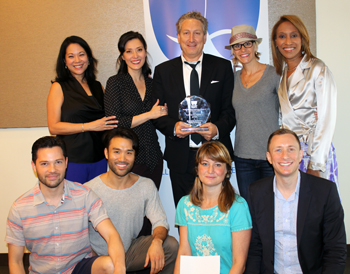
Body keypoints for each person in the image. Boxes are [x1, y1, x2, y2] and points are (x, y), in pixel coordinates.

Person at [6, 136, 126, 274]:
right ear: (34, 166)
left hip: (78, 269)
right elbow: (15, 262)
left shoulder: (85, 195)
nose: (52, 169)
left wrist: (120, 269)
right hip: (42, 271)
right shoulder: (19, 208)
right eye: (44, 164)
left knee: (111, 265)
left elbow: (111, 235)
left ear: (66, 162)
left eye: (58, 162)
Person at [152, 11, 236, 206]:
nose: (192, 39)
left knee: (218, 214)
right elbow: (157, 114)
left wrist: (217, 129)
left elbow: (230, 110)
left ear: (205, 37)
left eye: (197, 33)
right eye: (186, 33)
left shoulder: (222, 67)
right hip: (181, 157)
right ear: (178, 36)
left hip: (215, 155)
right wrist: (173, 127)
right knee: (185, 215)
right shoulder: (163, 72)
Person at [245, 129, 346, 274]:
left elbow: (336, 250)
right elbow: (254, 248)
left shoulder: (325, 191)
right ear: (269, 157)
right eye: (278, 150)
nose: (285, 156)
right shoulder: (256, 192)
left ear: (300, 155)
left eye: (291, 149)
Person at [86, 128, 178, 274]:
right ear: (106, 153)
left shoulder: (145, 185)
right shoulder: (89, 190)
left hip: (129, 252)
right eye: (116, 152)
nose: (122, 158)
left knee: (170, 245)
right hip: (98, 258)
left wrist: (157, 241)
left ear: (135, 155)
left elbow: (160, 221)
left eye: (129, 152)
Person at [271, 15, 338, 186]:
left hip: (314, 151)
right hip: (290, 154)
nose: (288, 41)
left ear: (302, 38)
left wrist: (315, 163)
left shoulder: (317, 69)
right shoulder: (282, 72)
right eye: (282, 36)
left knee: (319, 207)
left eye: (294, 35)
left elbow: (326, 118)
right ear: (276, 42)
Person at [47, 36, 118, 184]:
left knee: (95, 204)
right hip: (74, 160)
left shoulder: (98, 86)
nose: (77, 60)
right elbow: (53, 126)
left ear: (89, 58)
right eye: (71, 56)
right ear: (64, 61)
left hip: (99, 158)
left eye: (81, 54)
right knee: (74, 204)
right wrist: (89, 126)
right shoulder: (59, 87)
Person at [174, 141, 252, 274]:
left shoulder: (238, 206)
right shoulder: (185, 204)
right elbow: (184, 252)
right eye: (205, 164)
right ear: (197, 169)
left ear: (227, 170)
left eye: (217, 165)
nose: (210, 170)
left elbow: (239, 263)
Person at [104, 31, 167, 189]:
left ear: (145, 52)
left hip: (154, 158)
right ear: (122, 56)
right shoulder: (115, 82)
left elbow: (159, 118)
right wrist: (149, 114)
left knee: (150, 212)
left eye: (139, 50)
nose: (135, 55)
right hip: (128, 160)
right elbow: (115, 123)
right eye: (129, 51)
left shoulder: (153, 83)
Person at [225, 25, 280, 199]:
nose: (243, 49)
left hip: (270, 157)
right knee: (250, 212)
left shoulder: (274, 74)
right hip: (242, 158)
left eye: (247, 43)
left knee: (272, 210)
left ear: (256, 45)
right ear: (233, 51)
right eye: (237, 45)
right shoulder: (232, 80)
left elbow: (289, 111)